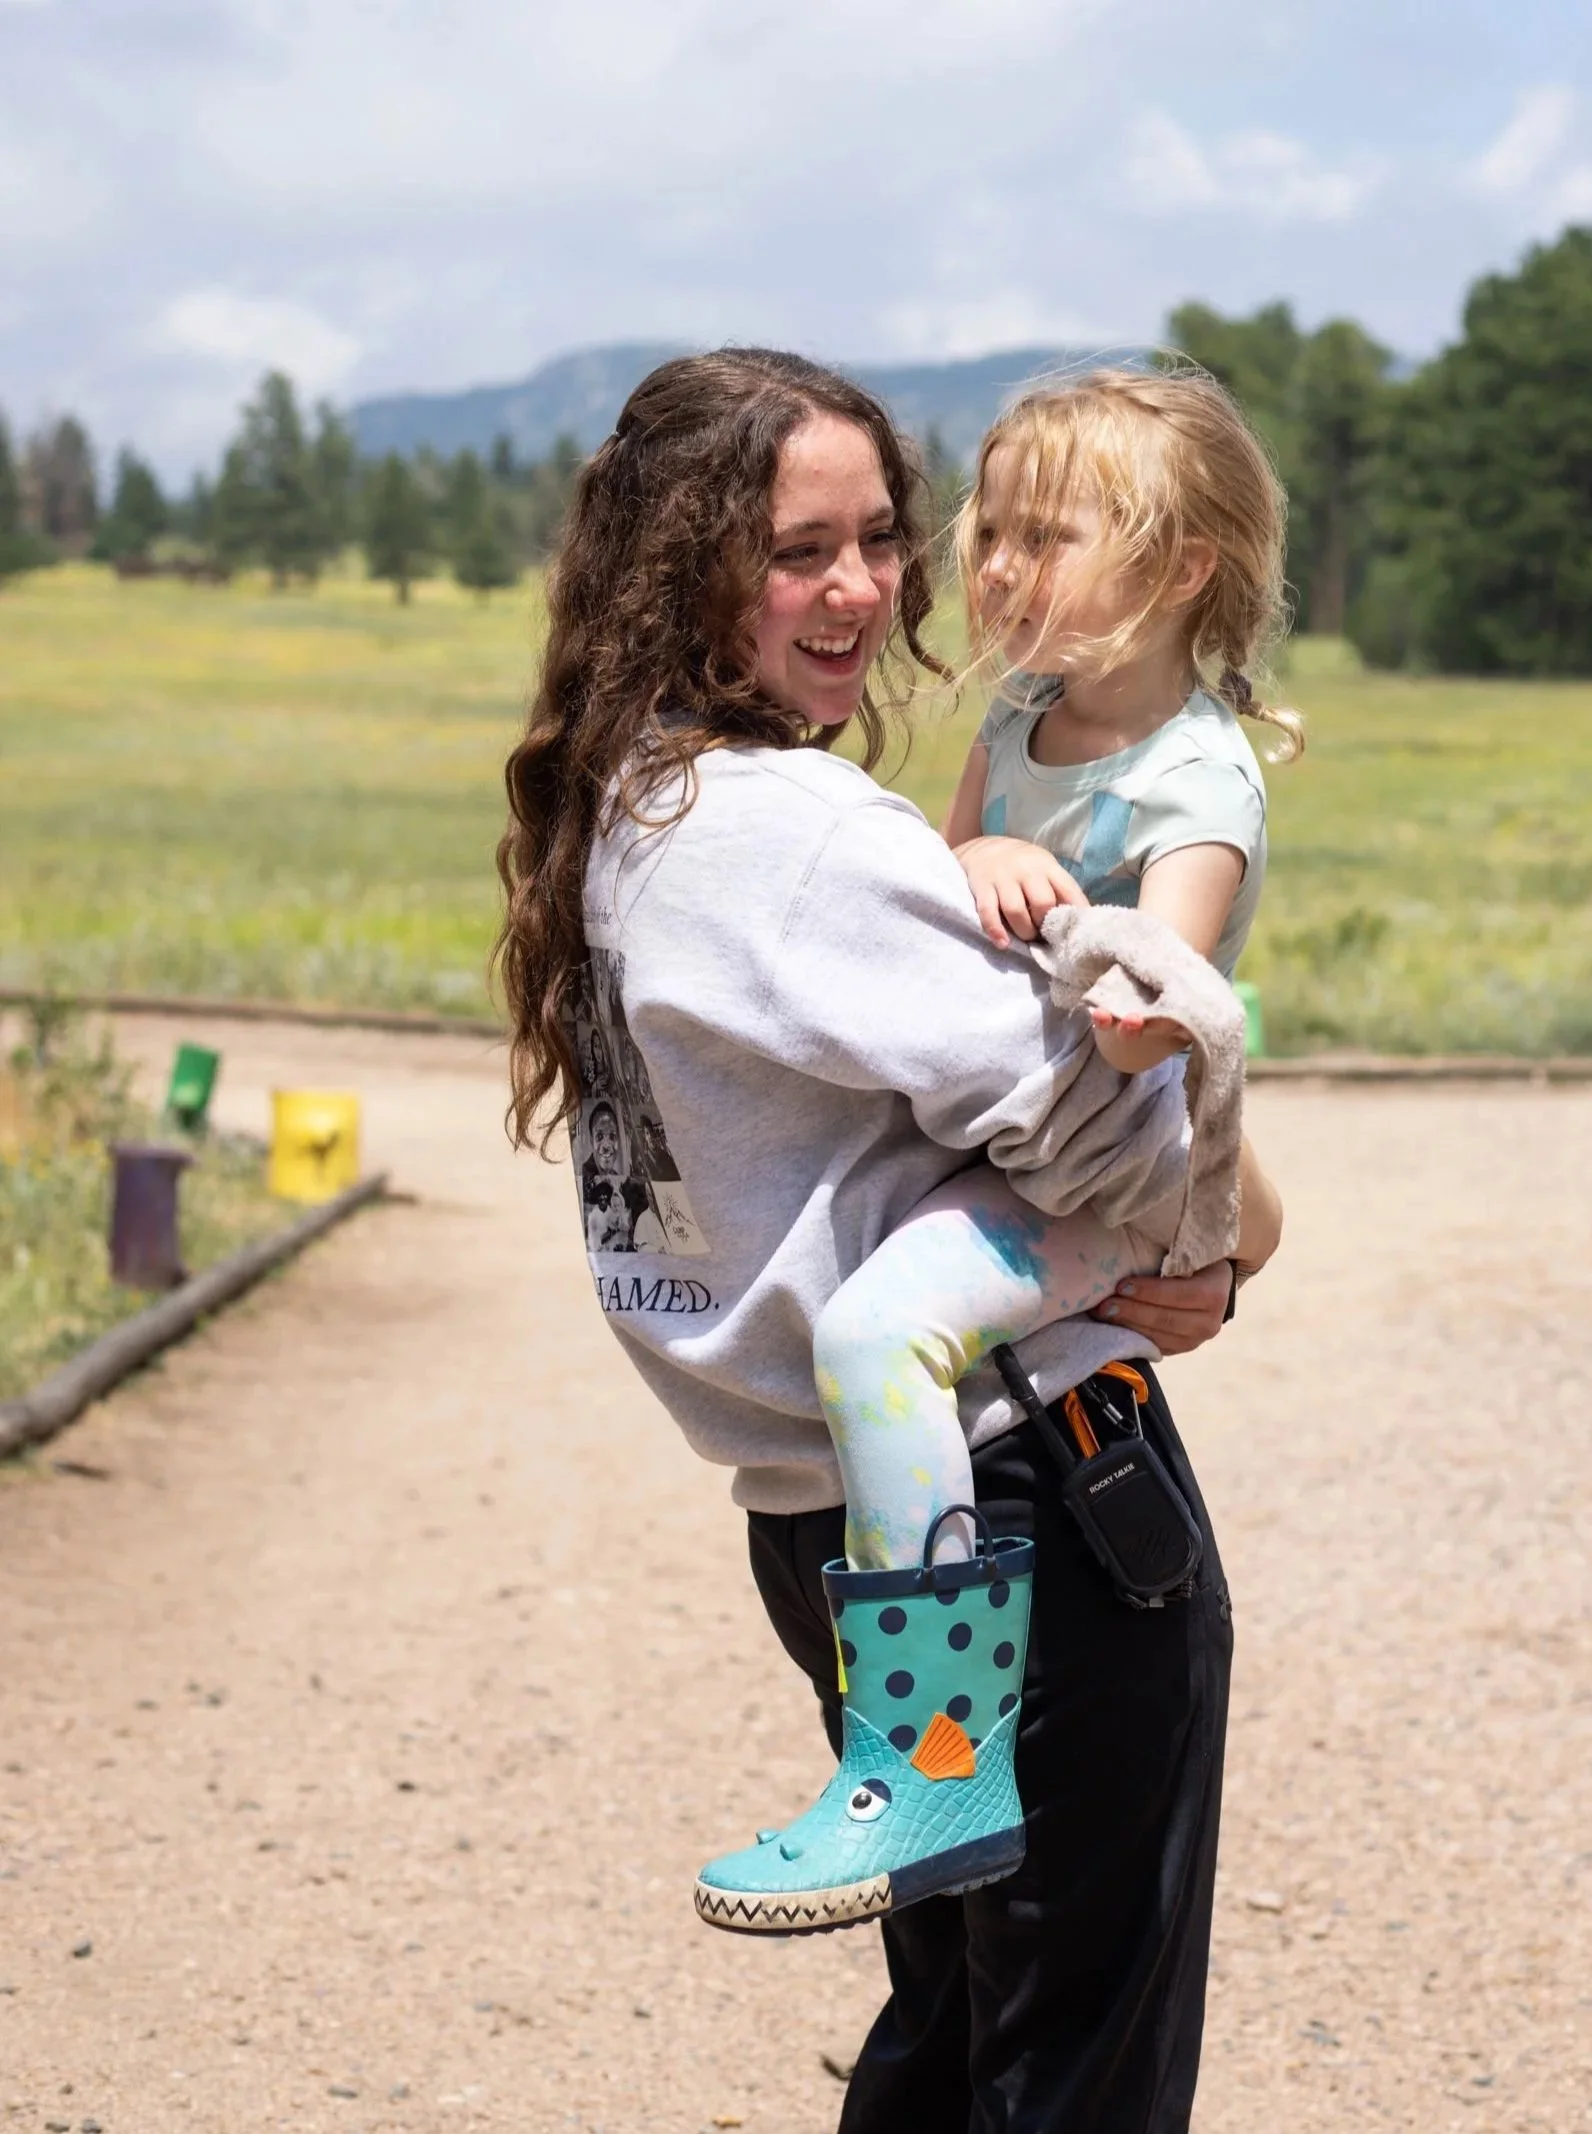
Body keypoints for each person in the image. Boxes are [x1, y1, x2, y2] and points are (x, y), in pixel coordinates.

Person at [495, 348, 1264, 2134]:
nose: (863, 591)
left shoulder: (627, 802)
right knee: (1070, 2060)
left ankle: (912, 1773)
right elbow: (1135, 1126)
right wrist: (1243, 1227)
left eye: (876, 542)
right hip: (1031, 1513)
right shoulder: (792, 836)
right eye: (796, 551)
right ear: (682, 565)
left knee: (949, 2027)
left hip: (830, 1522)